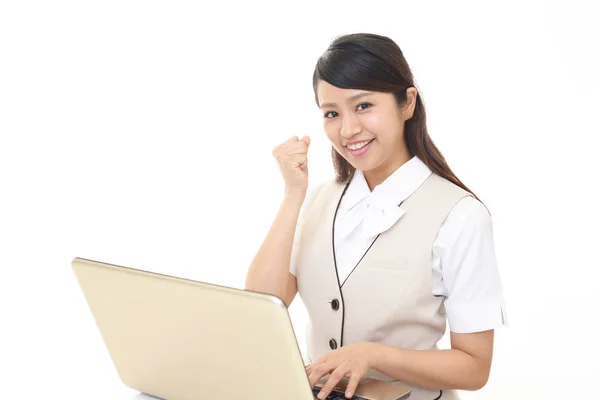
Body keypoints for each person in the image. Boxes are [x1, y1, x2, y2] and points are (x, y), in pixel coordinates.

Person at [245, 33, 507, 400]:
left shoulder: (460, 216)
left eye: (364, 105)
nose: (348, 129)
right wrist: (292, 196)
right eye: (332, 113)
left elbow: (474, 366)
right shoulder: (319, 198)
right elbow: (260, 307)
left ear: (407, 103)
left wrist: (372, 355)